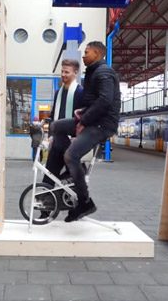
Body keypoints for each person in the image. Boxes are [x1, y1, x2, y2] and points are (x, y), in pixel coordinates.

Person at [49, 41, 121, 222]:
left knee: (70, 156)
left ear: (97, 54)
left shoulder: (104, 72)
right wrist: (82, 112)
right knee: (56, 127)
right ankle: (75, 170)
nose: (83, 55)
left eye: (87, 52)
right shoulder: (94, 72)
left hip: (101, 125)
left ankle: (84, 202)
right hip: (92, 120)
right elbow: (94, 101)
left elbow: (105, 101)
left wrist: (84, 120)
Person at [42, 59, 84, 186]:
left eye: (67, 72)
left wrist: (77, 137)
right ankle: (46, 201)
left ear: (75, 73)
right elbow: (55, 115)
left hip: (70, 142)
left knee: (71, 176)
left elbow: (83, 118)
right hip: (58, 140)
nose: (63, 75)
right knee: (49, 175)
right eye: (62, 72)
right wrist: (49, 134)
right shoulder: (58, 93)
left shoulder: (80, 92)